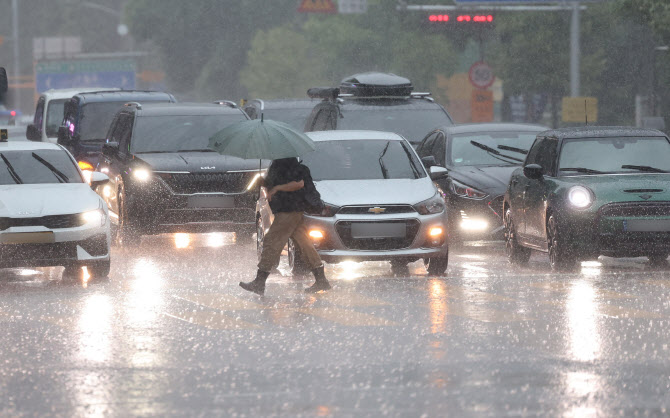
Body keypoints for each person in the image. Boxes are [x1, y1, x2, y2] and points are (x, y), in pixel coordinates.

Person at [239, 157, 331, 296]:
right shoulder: (277, 163)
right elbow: (277, 180)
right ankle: (321, 279)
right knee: (304, 244)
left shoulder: (289, 162)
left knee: (272, 241)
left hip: (289, 209)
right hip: (287, 209)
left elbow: (298, 183)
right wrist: (264, 183)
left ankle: (259, 281)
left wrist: (277, 188)